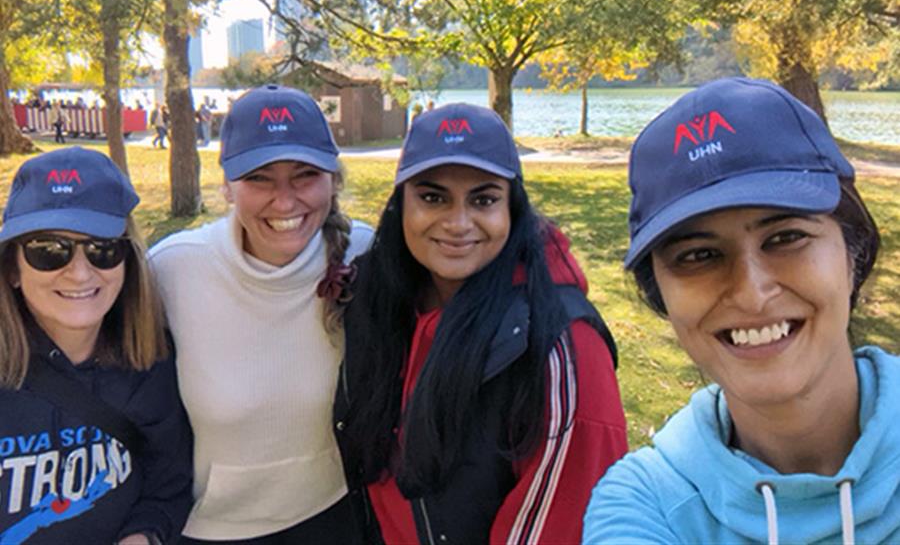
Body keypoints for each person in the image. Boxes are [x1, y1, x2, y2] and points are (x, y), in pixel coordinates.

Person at [583, 77, 899, 544]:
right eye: (699, 255)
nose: (752, 294)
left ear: (853, 253)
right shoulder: (644, 504)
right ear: (660, 295)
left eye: (786, 238)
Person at [335, 103, 627, 543]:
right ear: (401, 205)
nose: (457, 223)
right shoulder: (379, 299)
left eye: (484, 200)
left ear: (513, 209)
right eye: (433, 197)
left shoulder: (562, 348)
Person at [148, 85, 374, 543]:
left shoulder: (368, 254)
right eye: (259, 178)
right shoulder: (173, 269)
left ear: (334, 179)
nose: (285, 201)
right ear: (228, 186)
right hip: (212, 528)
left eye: (305, 175)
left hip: (339, 515)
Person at [0, 147, 193, 544]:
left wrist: (143, 536)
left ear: (127, 261)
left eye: (102, 249)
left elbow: (167, 486)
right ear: (12, 269)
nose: (79, 273)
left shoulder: (150, 362)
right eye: (48, 250)